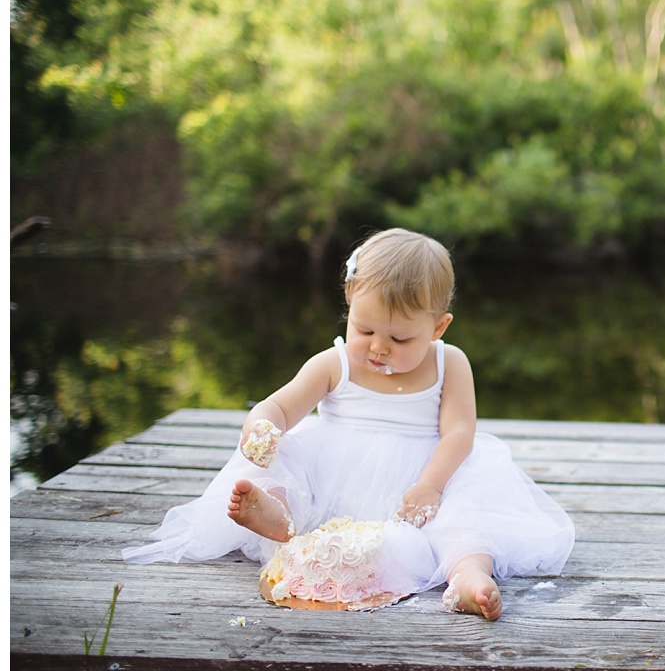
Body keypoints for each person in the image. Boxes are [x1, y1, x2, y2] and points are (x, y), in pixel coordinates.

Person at [123, 228, 574, 620]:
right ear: (349, 301)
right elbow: (279, 407)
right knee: (282, 461)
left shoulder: (449, 363)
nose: (378, 347)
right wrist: (261, 425)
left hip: (422, 477)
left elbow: (459, 433)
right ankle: (279, 515)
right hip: (336, 474)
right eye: (365, 329)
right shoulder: (333, 363)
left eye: (399, 338)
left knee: (465, 513)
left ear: (438, 328)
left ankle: (468, 577)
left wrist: (432, 485)